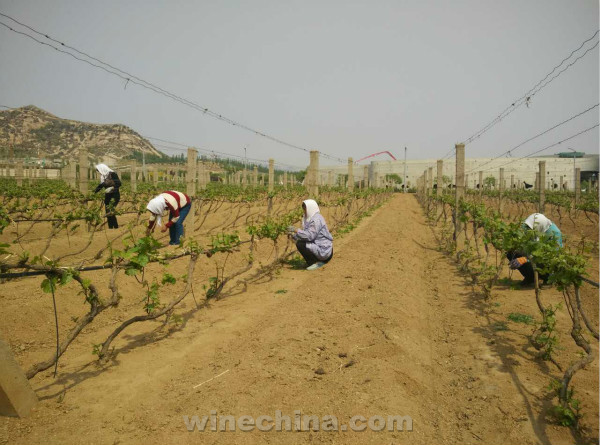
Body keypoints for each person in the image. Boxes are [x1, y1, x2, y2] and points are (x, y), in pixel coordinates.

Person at [507, 213, 563, 286]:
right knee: (512, 253)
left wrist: (526, 259)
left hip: (548, 260)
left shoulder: (555, 233)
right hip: (534, 254)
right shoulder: (529, 226)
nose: (528, 229)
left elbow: (550, 256)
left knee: (542, 263)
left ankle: (548, 279)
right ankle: (530, 278)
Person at [287, 199, 333, 271]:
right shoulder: (311, 218)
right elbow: (305, 234)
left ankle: (315, 263)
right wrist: (293, 235)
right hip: (325, 249)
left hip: (324, 251)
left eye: (305, 210)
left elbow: (309, 236)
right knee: (300, 241)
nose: (304, 212)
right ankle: (317, 261)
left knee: (300, 244)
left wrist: (296, 230)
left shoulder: (316, 220)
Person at [94, 164, 121, 229]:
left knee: (111, 210)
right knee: (107, 211)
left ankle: (116, 226)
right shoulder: (103, 177)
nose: (99, 172)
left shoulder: (113, 174)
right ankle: (110, 227)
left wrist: (112, 187)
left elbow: (119, 183)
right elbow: (100, 186)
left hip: (115, 195)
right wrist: (93, 192)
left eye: (99, 170)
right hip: (108, 196)